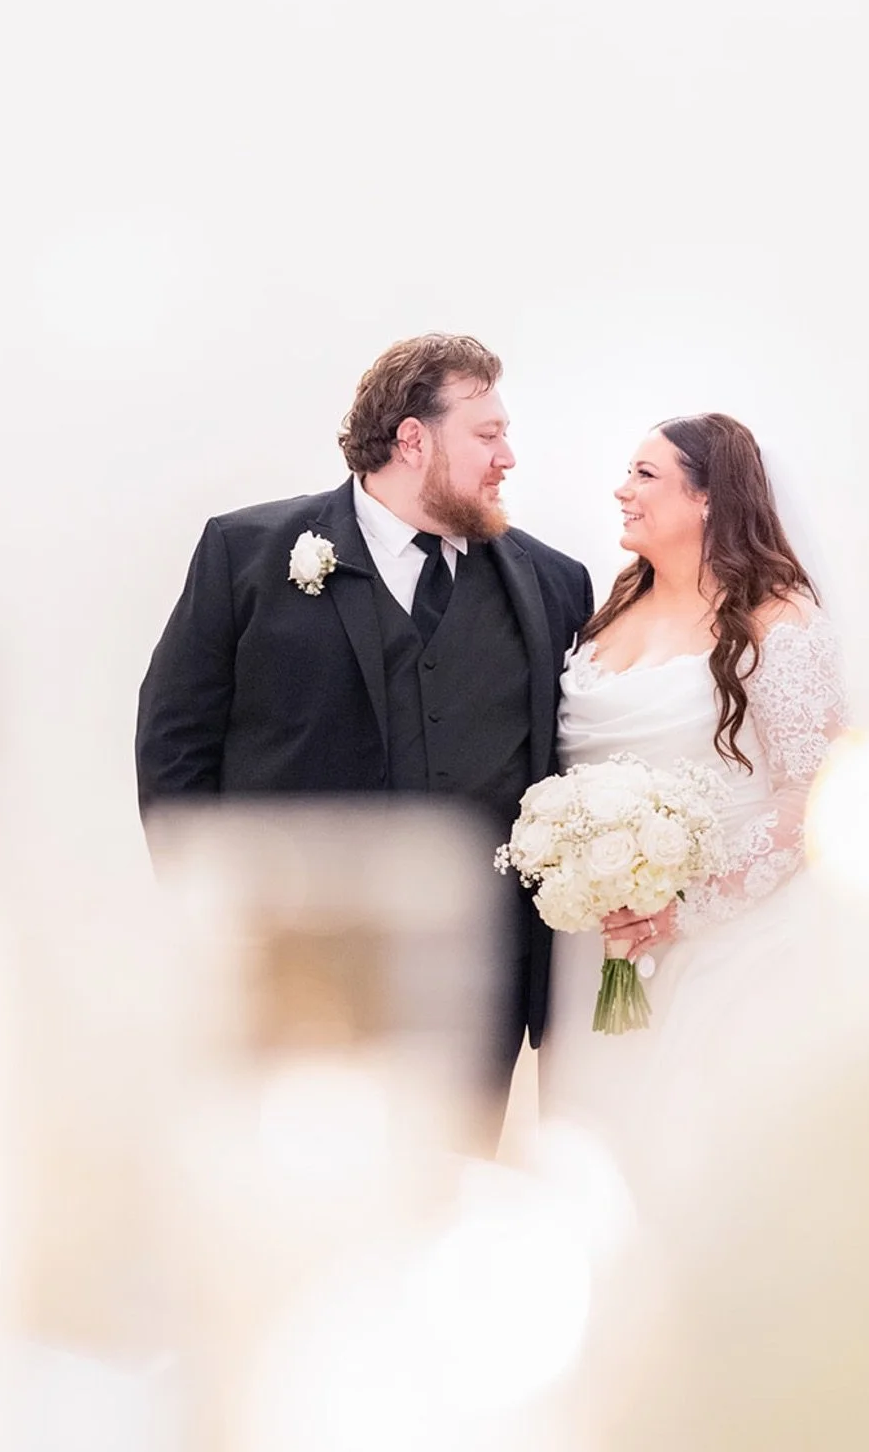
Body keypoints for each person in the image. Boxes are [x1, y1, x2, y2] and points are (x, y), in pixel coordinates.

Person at [135, 333, 594, 1087]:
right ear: (413, 440)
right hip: (293, 968)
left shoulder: (555, 584)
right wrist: (213, 918)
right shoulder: (243, 554)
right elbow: (174, 746)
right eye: (488, 435)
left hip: (480, 981)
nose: (507, 457)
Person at [540, 411, 858, 1192]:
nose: (622, 491)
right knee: (592, 1165)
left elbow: (816, 790)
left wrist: (685, 909)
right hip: (597, 949)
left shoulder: (776, 620)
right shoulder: (608, 612)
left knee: (694, 1166)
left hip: (726, 950)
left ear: (709, 498)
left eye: (645, 475)